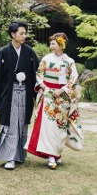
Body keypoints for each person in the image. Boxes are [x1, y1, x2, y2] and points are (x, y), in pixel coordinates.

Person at [0, 21, 40, 170]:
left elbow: (38, 72)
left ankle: (19, 155)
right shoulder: (3, 52)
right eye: (21, 33)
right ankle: (10, 157)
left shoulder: (29, 52)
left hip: (26, 92)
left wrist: (41, 89)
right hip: (9, 93)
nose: (24, 36)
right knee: (10, 123)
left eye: (25, 33)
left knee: (22, 123)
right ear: (13, 34)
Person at [26, 32, 83, 169]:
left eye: (53, 43)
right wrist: (43, 85)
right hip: (48, 95)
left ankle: (57, 154)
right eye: (50, 43)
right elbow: (39, 74)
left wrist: (62, 90)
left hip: (62, 97)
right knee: (49, 127)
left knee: (60, 127)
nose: (50, 46)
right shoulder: (46, 59)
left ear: (61, 44)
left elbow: (73, 79)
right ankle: (51, 157)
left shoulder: (69, 61)